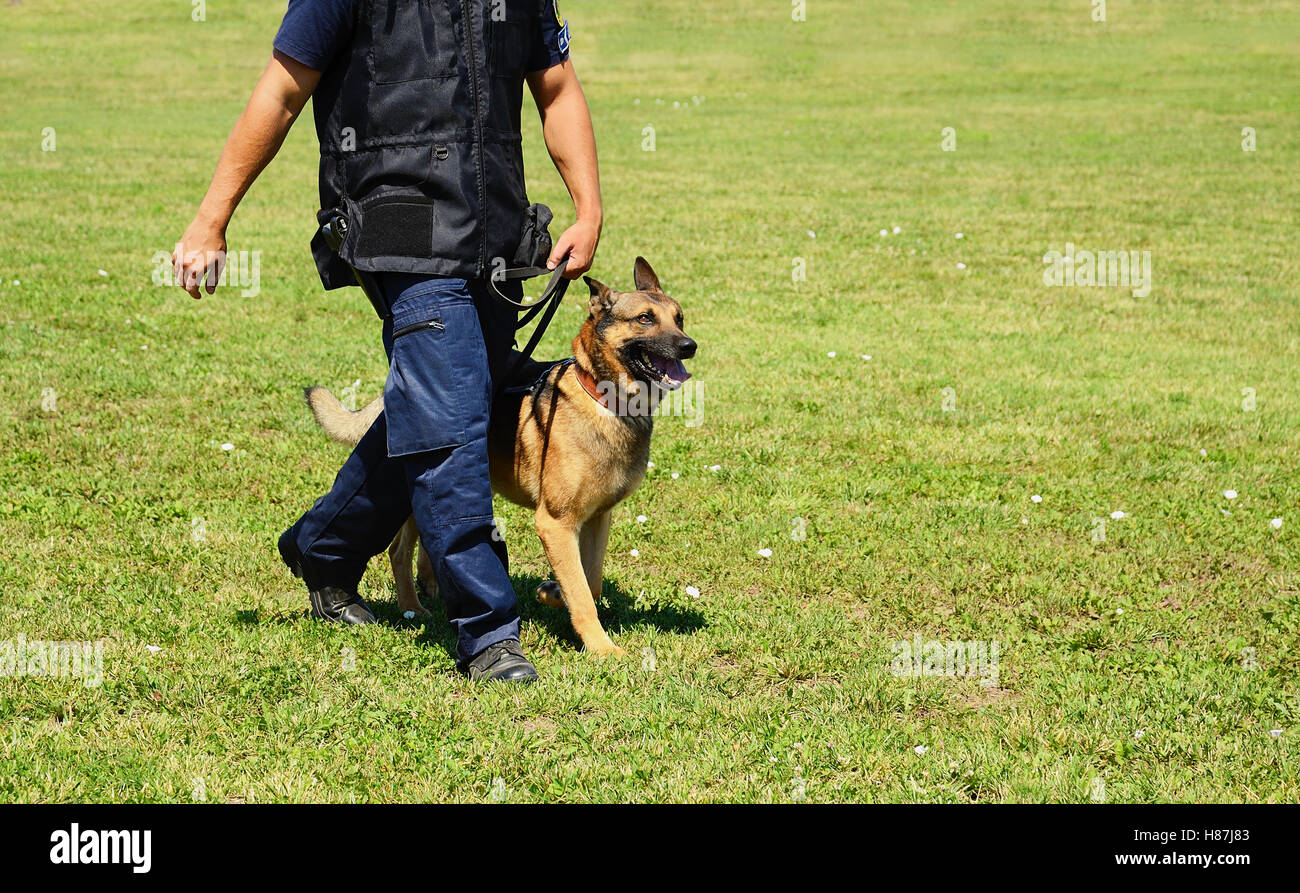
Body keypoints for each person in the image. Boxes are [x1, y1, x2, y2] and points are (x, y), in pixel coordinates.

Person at [172, 0, 603, 683]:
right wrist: (210, 219)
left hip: (495, 237)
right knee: (450, 423)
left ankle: (325, 548)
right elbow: (282, 90)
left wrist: (588, 206)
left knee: (440, 408)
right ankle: (488, 633)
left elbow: (556, 85)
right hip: (396, 226)